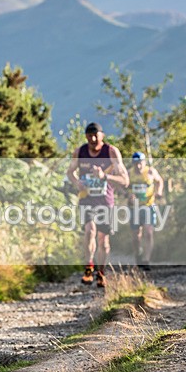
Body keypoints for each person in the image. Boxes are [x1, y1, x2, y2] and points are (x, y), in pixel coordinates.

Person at [66, 122, 129, 288]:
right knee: (89, 230)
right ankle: (89, 267)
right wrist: (77, 182)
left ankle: (101, 273)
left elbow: (125, 181)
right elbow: (70, 171)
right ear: (86, 137)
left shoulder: (111, 152)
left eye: (96, 136)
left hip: (105, 201)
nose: (93, 139)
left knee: (103, 240)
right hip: (86, 198)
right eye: (89, 136)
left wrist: (104, 177)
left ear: (102, 135)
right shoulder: (80, 152)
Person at [128, 151, 163, 269]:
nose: (138, 166)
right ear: (133, 163)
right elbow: (123, 186)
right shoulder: (129, 173)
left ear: (144, 162)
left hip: (148, 206)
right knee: (135, 236)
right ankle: (138, 254)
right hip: (134, 208)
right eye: (136, 163)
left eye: (140, 163)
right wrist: (128, 195)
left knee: (148, 232)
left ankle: (146, 260)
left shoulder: (150, 171)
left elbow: (159, 181)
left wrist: (158, 192)